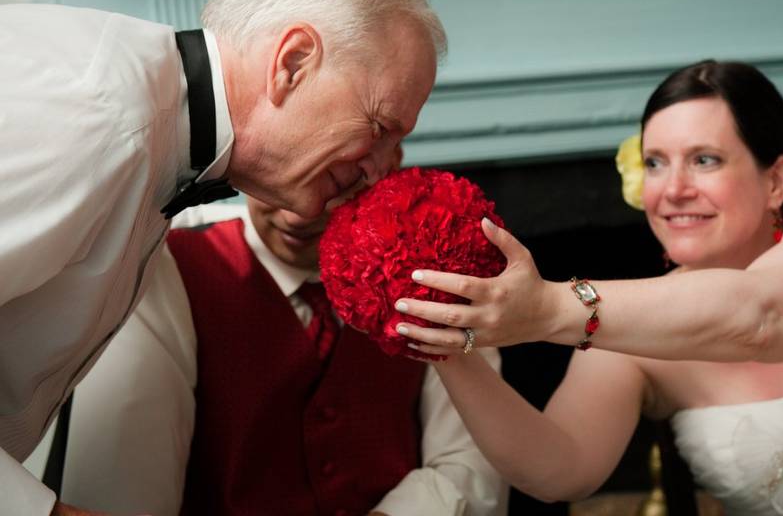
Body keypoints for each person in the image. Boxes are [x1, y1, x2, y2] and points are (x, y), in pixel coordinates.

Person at [392, 61, 783, 515]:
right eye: (656, 163)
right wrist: (446, 341)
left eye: (705, 160)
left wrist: (547, 307)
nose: (673, 189)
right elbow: (557, 471)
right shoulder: (632, 335)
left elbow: (766, 318)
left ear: (777, 180)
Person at [1, 0, 445, 516]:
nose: (384, 168)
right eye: (381, 126)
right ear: (293, 63)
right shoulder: (98, 119)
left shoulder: (149, 123)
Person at [55, 192, 505, 516]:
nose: (298, 210)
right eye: (278, 181)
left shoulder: (431, 269)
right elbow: (122, 485)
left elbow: (475, 465)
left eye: (330, 179)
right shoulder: (167, 264)